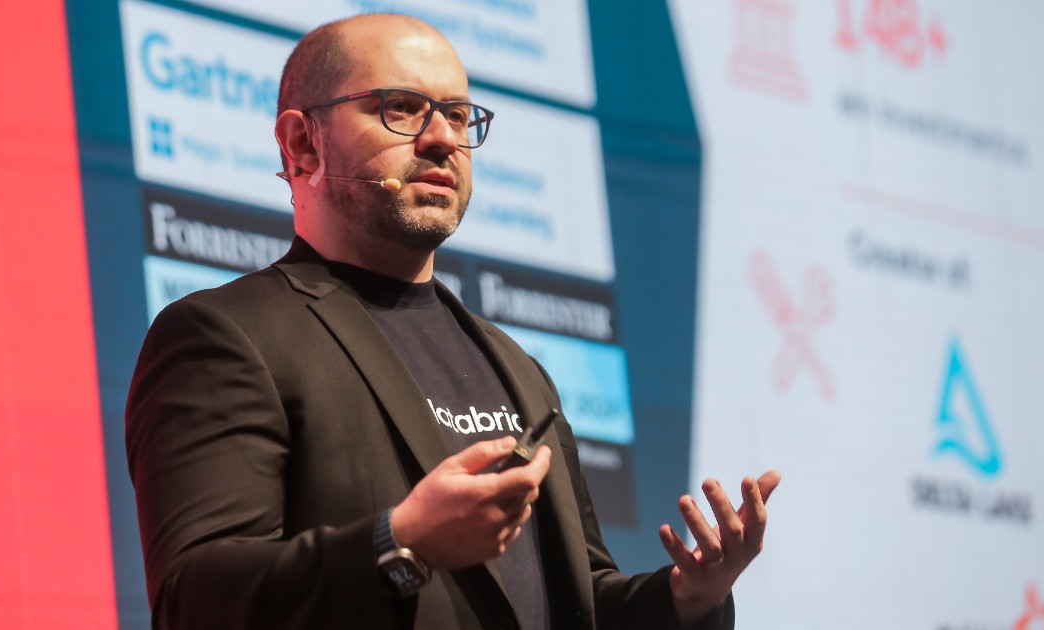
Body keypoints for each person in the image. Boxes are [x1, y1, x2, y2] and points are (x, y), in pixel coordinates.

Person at [126, 13, 780, 630]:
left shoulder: (518, 369)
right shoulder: (228, 336)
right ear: (302, 143)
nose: (442, 138)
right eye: (401, 108)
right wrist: (400, 542)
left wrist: (686, 597)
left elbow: (580, 601)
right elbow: (195, 598)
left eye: (459, 115)